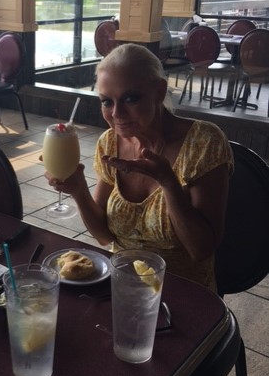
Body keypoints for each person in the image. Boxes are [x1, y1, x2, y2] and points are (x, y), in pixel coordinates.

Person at [47, 43, 233, 291]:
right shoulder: (109, 143)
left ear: (159, 92)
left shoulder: (204, 142)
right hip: (122, 287)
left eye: (130, 98)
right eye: (107, 102)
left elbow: (201, 250)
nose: (117, 113)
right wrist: (79, 191)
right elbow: (104, 236)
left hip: (186, 295)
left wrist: (168, 182)